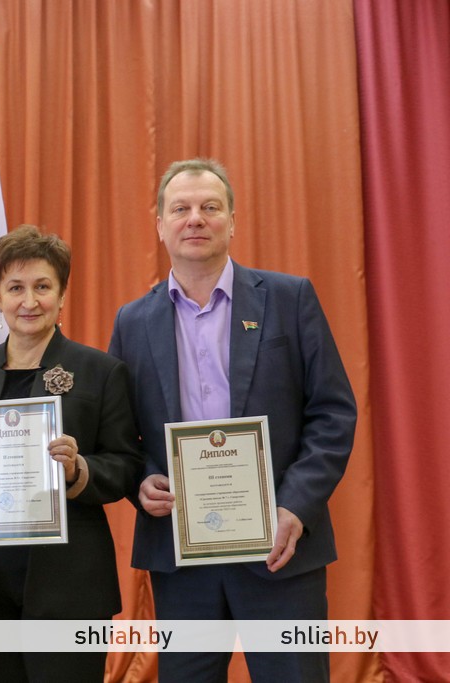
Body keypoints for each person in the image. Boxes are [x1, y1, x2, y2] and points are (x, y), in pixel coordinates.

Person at [108, 158, 357, 682]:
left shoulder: (290, 299)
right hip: (182, 554)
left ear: (232, 220)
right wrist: (142, 479)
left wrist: (295, 507)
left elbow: (333, 412)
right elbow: (118, 433)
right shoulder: (132, 322)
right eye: (180, 208)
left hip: (281, 547)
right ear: (159, 224)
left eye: (209, 207)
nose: (195, 218)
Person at [0, 225, 143, 681]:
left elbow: (127, 465)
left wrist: (79, 469)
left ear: (62, 293)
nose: (29, 301)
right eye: (15, 288)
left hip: (71, 579)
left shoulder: (100, 372)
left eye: (42, 286)